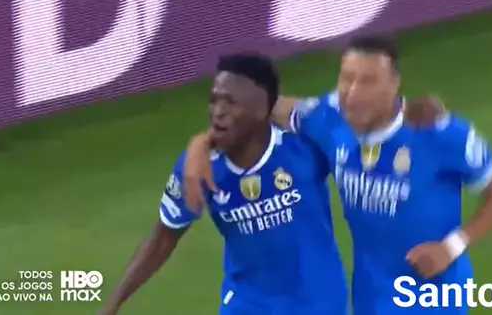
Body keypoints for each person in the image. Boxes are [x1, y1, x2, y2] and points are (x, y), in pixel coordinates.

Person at [182, 37, 492, 314]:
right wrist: (202, 143)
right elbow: (258, 105)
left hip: (432, 293)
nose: (353, 91)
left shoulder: (438, 133)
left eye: (368, 81)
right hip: (370, 295)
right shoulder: (329, 119)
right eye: (347, 78)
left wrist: (451, 247)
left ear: (394, 84)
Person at [100, 53, 348, 315]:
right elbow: (164, 237)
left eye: (230, 102)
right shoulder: (201, 166)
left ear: (261, 110)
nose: (218, 112)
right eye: (214, 100)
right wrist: (112, 305)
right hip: (248, 305)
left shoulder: (302, 146)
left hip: (319, 305)